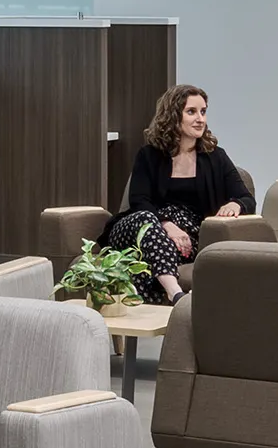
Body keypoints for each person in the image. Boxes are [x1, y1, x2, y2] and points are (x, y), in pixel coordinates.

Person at [103, 83, 254, 305]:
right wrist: (166, 224)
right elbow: (139, 201)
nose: (200, 119)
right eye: (191, 112)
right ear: (173, 116)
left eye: (203, 112)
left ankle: (158, 309)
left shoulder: (216, 157)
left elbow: (246, 198)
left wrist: (236, 204)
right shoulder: (149, 155)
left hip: (184, 239)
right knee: (146, 219)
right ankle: (176, 294)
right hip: (138, 229)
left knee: (146, 262)